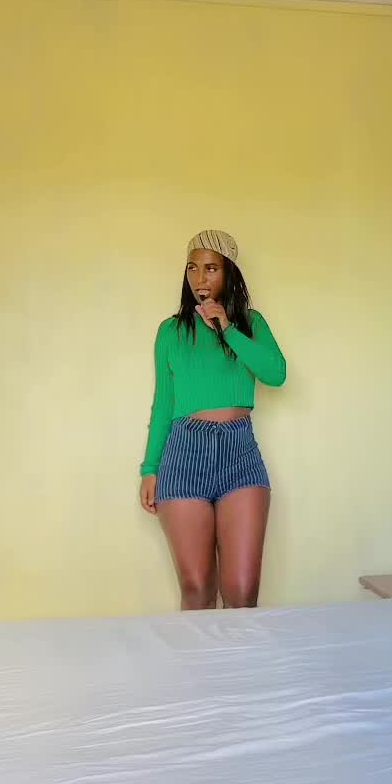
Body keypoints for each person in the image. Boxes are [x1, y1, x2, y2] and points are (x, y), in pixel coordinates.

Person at [139, 230, 286, 610]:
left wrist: (227, 328)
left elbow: (276, 374)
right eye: (192, 268)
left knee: (242, 591)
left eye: (211, 268)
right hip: (183, 455)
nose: (200, 278)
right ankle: (197, 655)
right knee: (197, 588)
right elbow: (164, 404)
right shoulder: (171, 331)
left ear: (229, 273)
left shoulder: (250, 323)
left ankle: (241, 653)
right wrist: (150, 469)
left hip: (240, 454)